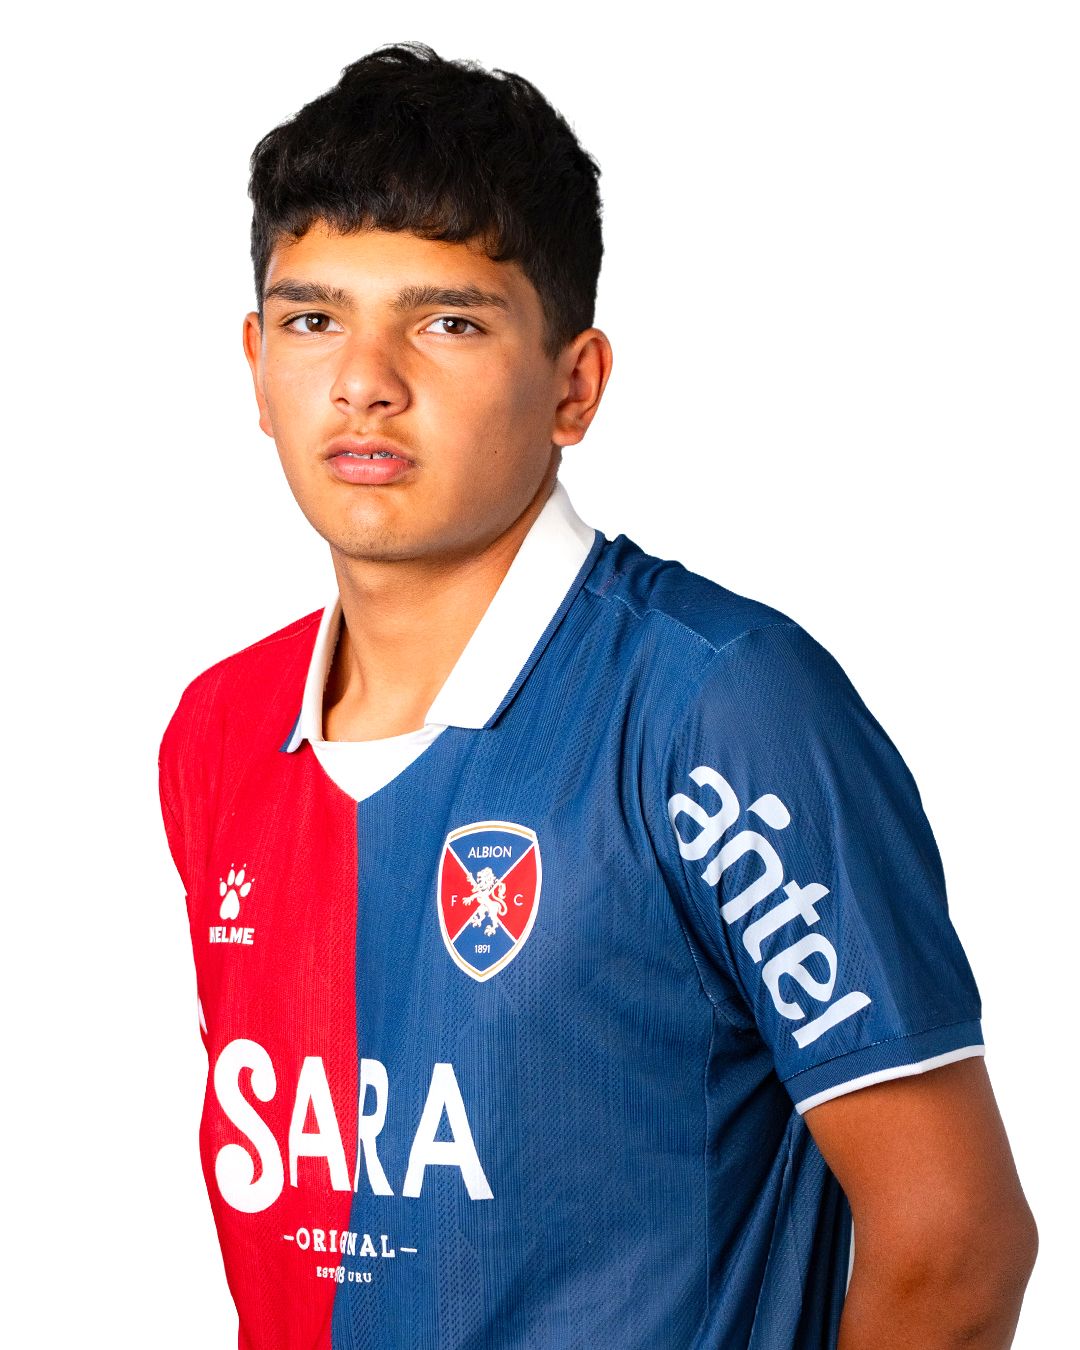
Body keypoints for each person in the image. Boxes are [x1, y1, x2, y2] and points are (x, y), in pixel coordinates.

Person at [157, 41, 1037, 1350]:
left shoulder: (719, 708)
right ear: (254, 361)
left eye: (449, 321)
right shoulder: (220, 731)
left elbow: (954, 1247)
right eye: (313, 318)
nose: (365, 380)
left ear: (574, 385)